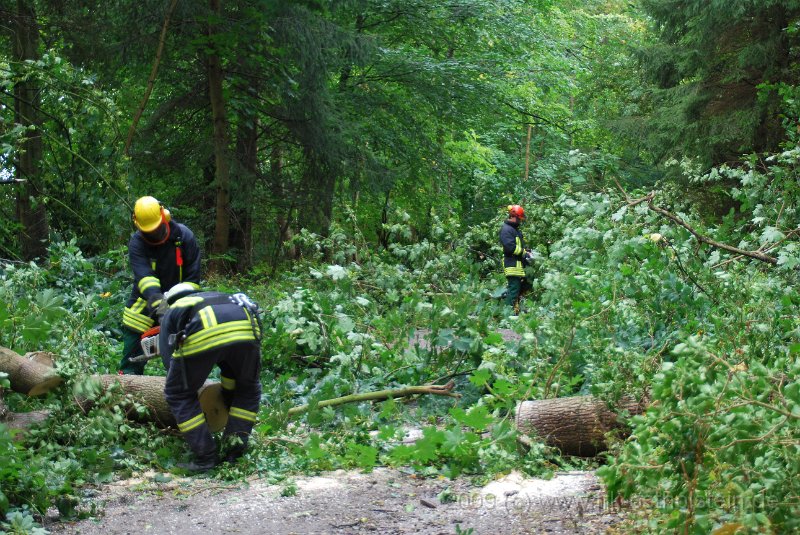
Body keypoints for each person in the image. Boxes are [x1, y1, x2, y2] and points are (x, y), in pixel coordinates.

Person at [159, 283, 263, 472]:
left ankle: (206, 457)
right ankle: (234, 451)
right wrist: (229, 398)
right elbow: (228, 357)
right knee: (248, 389)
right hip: (247, 330)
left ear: (171, 299)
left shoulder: (174, 308)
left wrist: (183, 382)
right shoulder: (219, 295)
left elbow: (169, 359)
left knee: (178, 394)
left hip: (205, 333)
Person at [119, 196, 201, 374]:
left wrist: (177, 311)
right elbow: (146, 279)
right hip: (145, 305)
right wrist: (163, 312)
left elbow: (193, 280)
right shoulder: (137, 243)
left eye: (156, 229)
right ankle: (127, 382)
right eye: (148, 231)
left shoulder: (184, 237)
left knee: (190, 353)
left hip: (180, 300)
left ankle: (187, 385)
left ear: (164, 216)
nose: (153, 234)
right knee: (131, 357)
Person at [499, 204, 532, 314]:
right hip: (511, 263)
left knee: (521, 287)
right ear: (514, 217)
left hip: (518, 264)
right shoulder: (506, 229)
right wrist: (523, 253)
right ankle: (507, 313)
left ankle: (515, 309)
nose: (520, 221)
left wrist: (527, 251)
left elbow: (519, 245)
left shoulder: (515, 230)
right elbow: (510, 247)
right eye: (519, 219)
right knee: (514, 288)